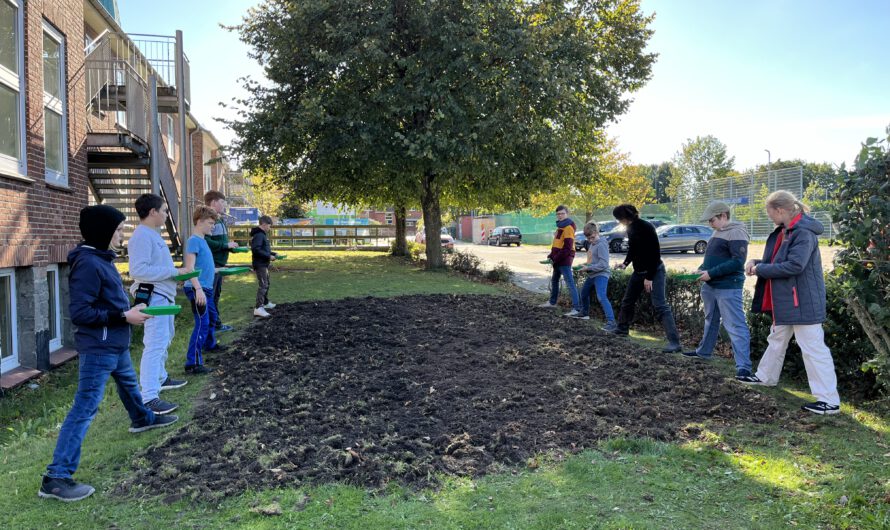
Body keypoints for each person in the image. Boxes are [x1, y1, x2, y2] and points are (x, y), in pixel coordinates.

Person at [39, 205, 178, 502]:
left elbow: (113, 298)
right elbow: (81, 312)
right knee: (85, 407)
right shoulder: (88, 264)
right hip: (99, 347)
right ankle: (55, 477)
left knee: (129, 386)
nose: (121, 236)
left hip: (115, 344)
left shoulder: (101, 259)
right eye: (116, 231)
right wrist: (123, 316)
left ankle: (142, 419)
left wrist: (137, 304)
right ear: (103, 232)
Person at [743, 190, 841, 415]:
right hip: (787, 301)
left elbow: (795, 266)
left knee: (813, 348)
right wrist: (755, 262)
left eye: (770, 213)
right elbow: (776, 261)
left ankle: (829, 401)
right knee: (777, 338)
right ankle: (765, 377)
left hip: (802, 301)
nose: (769, 218)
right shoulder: (786, 231)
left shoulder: (803, 234)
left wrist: (761, 269)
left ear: (780, 210)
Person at [128, 194, 189, 415]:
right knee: (154, 345)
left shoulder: (151, 234)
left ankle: (161, 378)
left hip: (164, 295)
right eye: (163, 210)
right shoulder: (141, 237)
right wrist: (174, 272)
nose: (166, 214)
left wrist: (177, 274)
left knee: (165, 338)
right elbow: (137, 270)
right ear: (152, 212)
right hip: (154, 297)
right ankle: (149, 397)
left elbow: (156, 268)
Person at [682, 202, 756, 382]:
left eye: (712, 220)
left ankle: (744, 367)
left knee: (735, 325)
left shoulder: (737, 232)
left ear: (723, 215)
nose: (710, 224)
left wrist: (712, 273)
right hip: (710, 286)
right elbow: (712, 260)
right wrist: (702, 270)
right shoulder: (718, 231)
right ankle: (704, 352)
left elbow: (737, 262)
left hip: (728, 287)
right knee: (710, 319)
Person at [611, 204, 682, 353]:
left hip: (654, 270)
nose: (619, 222)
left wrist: (649, 277)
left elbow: (654, 254)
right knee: (628, 300)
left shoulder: (646, 227)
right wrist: (625, 263)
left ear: (624, 217)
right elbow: (633, 249)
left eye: (619, 219)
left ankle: (674, 343)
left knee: (660, 305)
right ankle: (622, 328)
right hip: (639, 271)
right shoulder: (630, 228)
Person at [183, 206, 224, 375]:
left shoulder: (203, 240)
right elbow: (190, 268)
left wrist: (219, 270)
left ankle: (208, 346)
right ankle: (192, 363)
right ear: (199, 221)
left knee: (208, 320)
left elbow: (203, 266)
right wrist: (197, 289)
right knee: (202, 324)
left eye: (214, 223)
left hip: (204, 288)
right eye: (210, 223)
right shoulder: (193, 241)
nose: (213, 226)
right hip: (197, 290)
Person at [204, 190, 238, 333]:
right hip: (213, 264)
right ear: (213, 203)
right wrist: (225, 246)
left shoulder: (220, 220)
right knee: (211, 296)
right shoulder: (208, 220)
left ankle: (215, 323)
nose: (225, 205)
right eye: (222, 202)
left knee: (216, 295)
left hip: (220, 264)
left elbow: (220, 241)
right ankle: (214, 325)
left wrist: (231, 247)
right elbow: (206, 241)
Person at [538, 205, 582, 316]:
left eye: (562, 213)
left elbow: (567, 248)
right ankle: (552, 302)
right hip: (558, 259)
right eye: (558, 214)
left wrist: (556, 258)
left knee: (570, 283)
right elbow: (556, 244)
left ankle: (576, 309)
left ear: (567, 214)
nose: (560, 216)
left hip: (565, 259)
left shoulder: (568, 227)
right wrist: (551, 255)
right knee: (554, 280)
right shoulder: (560, 227)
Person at [574, 221, 616, 331]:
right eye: (588, 239)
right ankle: (584, 313)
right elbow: (593, 261)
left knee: (601, 296)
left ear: (597, 232)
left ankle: (611, 322)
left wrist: (588, 268)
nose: (590, 240)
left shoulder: (602, 244)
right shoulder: (592, 244)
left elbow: (603, 264)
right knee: (583, 293)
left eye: (592, 237)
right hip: (592, 274)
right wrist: (584, 265)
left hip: (601, 274)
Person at [250, 215, 278, 318]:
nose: (270, 228)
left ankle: (265, 303)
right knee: (263, 285)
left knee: (267, 283)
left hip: (264, 263)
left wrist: (273, 254)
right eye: (269, 226)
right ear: (264, 224)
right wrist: (268, 256)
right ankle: (258, 308)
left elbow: (264, 249)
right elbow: (256, 249)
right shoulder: (259, 235)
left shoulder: (262, 234)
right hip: (260, 264)